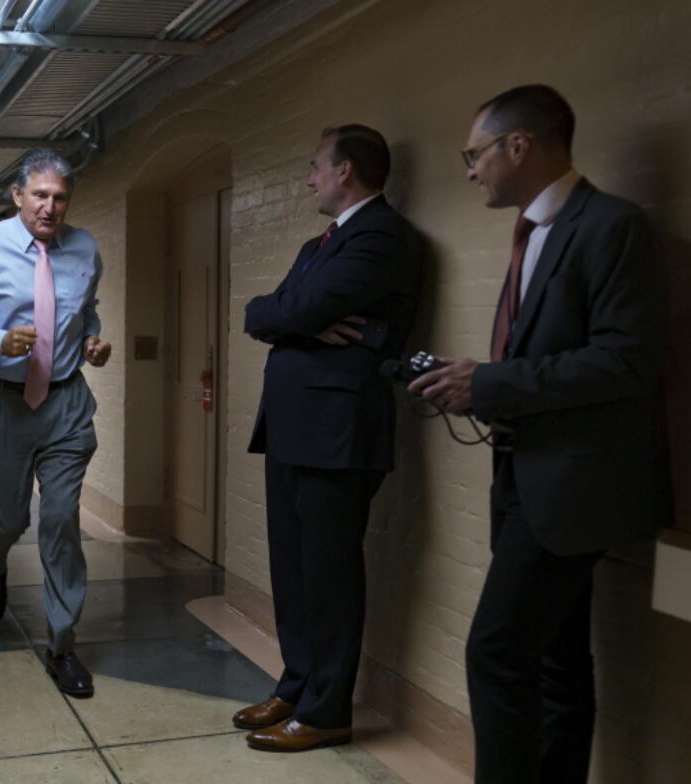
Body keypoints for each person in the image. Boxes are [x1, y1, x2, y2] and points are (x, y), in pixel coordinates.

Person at [409, 85, 670, 783]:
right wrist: (472, 388)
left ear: (517, 146)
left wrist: (489, 384)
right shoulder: (535, 233)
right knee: (557, 661)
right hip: (526, 478)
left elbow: (626, 361)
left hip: (576, 488)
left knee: (495, 653)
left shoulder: (612, 225)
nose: (471, 170)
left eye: (475, 154)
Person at [236, 125, 422, 752]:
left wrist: (293, 319)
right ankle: (296, 687)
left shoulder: (381, 238)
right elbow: (267, 310)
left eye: (317, 167)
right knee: (293, 567)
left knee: (329, 572)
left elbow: (296, 309)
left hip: (337, 432)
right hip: (296, 427)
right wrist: (294, 321)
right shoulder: (326, 242)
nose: (310, 177)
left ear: (346, 171)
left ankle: (326, 712)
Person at [0, 149, 111, 697]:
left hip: (64, 403)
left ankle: (62, 644)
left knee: (60, 521)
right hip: (2, 402)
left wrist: (91, 341)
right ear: (17, 196)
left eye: (60, 197)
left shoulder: (84, 248)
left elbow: (87, 310)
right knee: (10, 518)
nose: (50, 207)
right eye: (40, 195)